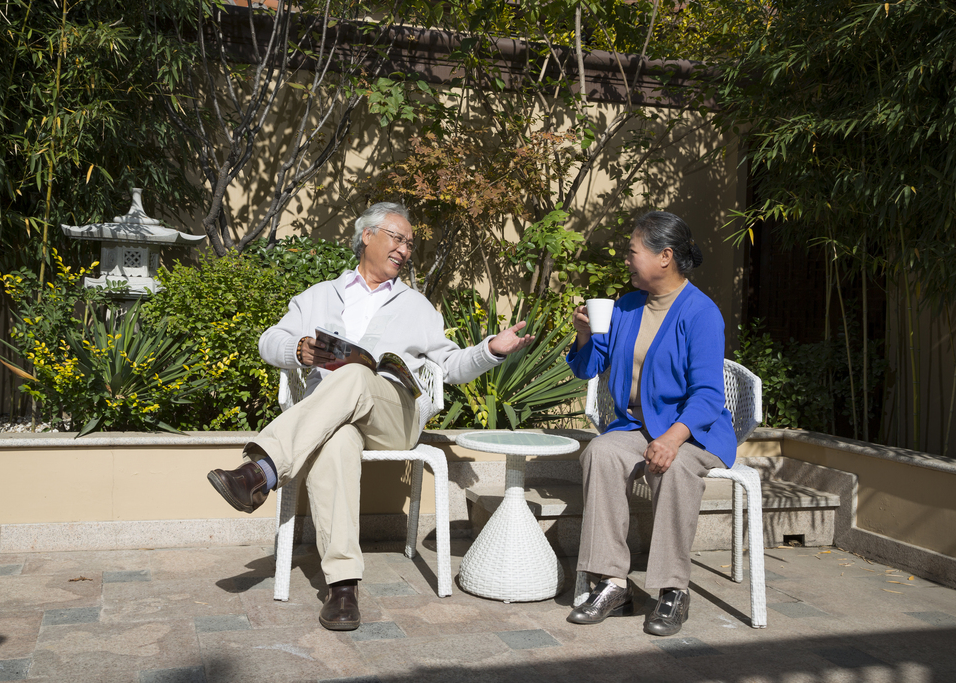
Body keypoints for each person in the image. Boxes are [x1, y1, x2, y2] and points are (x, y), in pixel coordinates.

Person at [207, 202, 535, 632]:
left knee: (359, 374)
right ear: (367, 236)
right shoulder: (320, 295)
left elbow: (451, 366)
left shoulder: (416, 306)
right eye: (397, 238)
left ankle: (262, 470)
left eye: (409, 244)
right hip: (333, 418)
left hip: (392, 417)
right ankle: (343, 587)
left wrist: (491, 350)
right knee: (336, 440)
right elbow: (269, 341)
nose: (404, 249)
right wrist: (298, 350)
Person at [564, 210, 736, 637]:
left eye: (633, 251)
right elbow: (588, 369)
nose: (627, 259)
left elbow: (710, 395)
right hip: (637, 426)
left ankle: (673, 590)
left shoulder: (701, 313)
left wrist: (674, 438)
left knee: (673, 467)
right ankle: (612, 583)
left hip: (693, 430)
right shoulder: (625, 306)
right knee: (601, 453)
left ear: (665, 257)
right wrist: (584, 335)